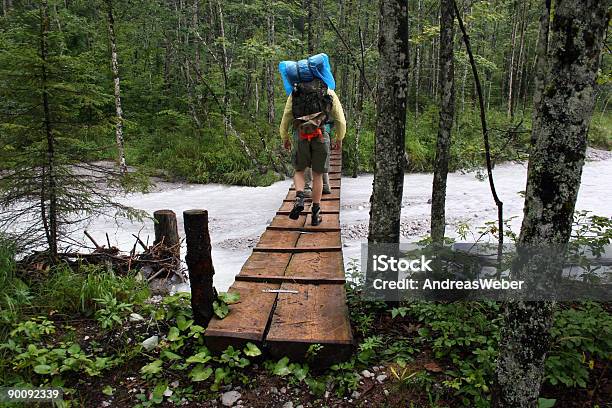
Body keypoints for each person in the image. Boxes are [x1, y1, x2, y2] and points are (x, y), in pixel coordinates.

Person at [280, 79, 346, 226]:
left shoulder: (295, 92)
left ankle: (299, 198)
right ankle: (315, 214)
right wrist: (339, 138)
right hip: (321, 134)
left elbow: (286, 117)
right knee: (318, 175)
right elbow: (340, 119)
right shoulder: (328, 91)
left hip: (301, 135)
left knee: (299, 170)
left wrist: (285, 137)